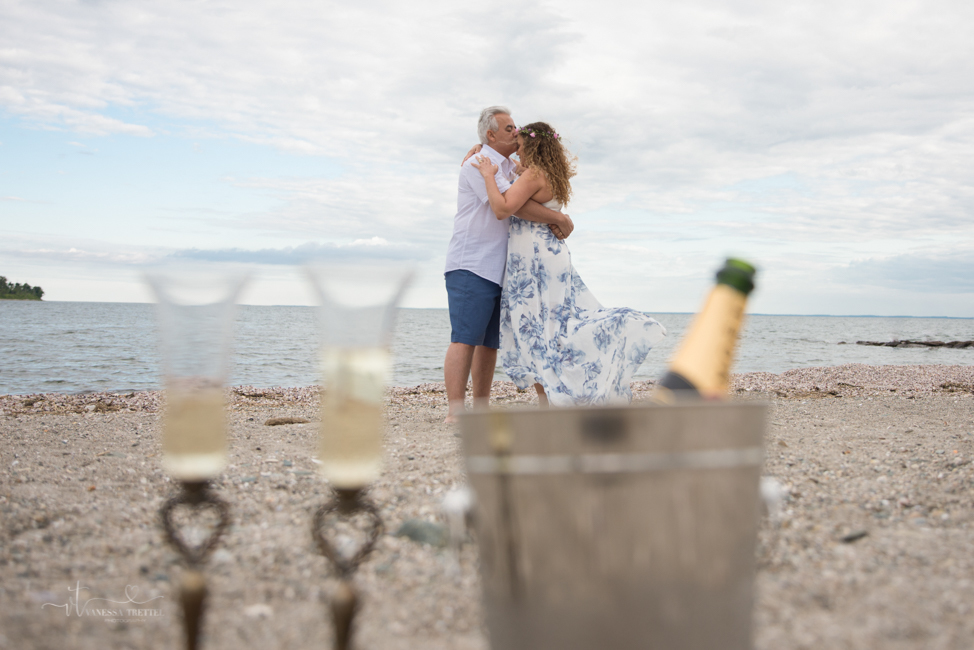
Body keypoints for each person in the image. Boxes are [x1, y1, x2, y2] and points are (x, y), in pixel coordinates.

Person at [471, 121, 666, 406]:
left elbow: (502, 208)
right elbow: (514, 176)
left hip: (533, 259)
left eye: (522, 148)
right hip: (551, 256)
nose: (518, 154)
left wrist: (488, 174)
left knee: (537, 332)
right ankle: (551, 401)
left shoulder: (534, 173)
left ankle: (554, 400)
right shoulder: (549, 173)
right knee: (550, 330)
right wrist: (481, 148)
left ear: (535, 148)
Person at [443, 107, 575, 422]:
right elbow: (511, 206)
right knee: (465, 337)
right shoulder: (480, 164)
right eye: (509, 129)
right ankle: (455, 412)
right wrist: (559, 217)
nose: (516, 133)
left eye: (517, 129)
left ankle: (482, 408)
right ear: (490, 135)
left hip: (503, 268)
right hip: (472, 262)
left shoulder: (509, 166)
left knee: (489, 343)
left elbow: (525, 195)